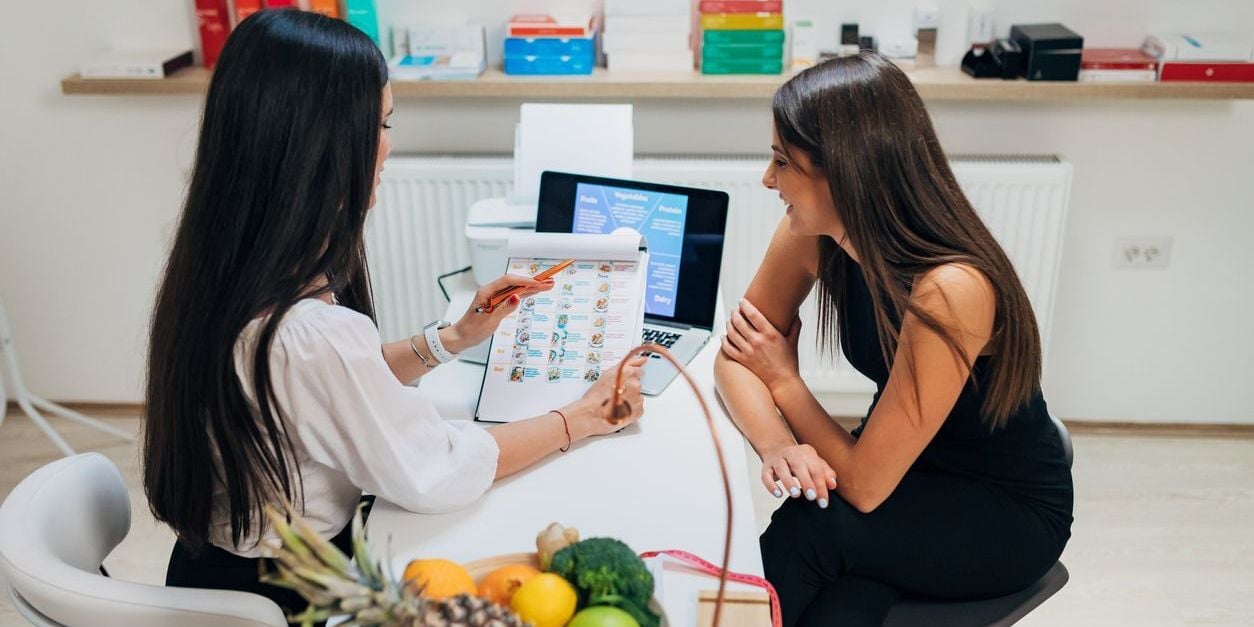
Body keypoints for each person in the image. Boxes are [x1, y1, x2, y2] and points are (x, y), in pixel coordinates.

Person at [141, 9, 645, 616]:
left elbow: (324, 389)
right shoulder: (307, 333)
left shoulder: (221, 268)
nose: (388, 145)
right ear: (323, 146)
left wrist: (453, 338)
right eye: (381, 124)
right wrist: (581, 418)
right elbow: (436, 472)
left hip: (209, 565)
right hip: (280, 595)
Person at [713, 52, 1073, 626]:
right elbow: (735, 359)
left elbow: (863, 485)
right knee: (842, 588)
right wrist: (778, 444)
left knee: (816, 525)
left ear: (845, 170)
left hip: (1003, 509)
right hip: (909, 472)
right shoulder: (814, 231)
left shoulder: (950, 288)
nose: (767, 177)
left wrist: (785, 381)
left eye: (782, 161)